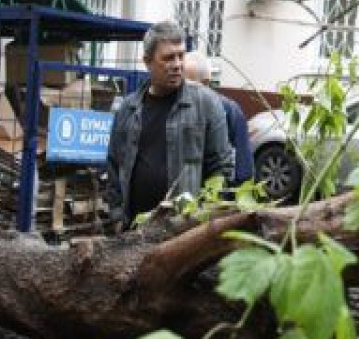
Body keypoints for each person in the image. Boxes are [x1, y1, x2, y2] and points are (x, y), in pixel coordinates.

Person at [104, 20, 235, 229]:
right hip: (134, 232)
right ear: (147, 61)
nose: (177, 64)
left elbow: (222, 169)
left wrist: (202, 220)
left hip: (184, 232)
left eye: (181, 55)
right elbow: (113, 167)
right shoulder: (128, 109)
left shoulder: (206, 104)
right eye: (168, 58)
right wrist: (117, 217)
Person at [183, 51, 253, 185]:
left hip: (214, 196)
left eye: (190, 86)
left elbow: (243, 169)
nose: (183, 92)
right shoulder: (175, 109)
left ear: (206, 83)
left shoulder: (230, 111)